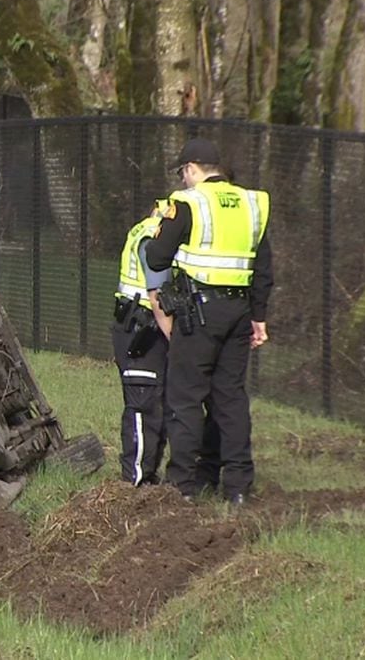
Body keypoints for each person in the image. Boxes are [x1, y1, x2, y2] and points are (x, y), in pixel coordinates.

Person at [145, 138, 272, 506]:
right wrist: (259, 317)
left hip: (197, 314)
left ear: (192, 169)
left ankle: (181, 487)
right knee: (230, 398)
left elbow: (156, 258)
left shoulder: (187, 202)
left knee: (185, 397)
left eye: (183, 172)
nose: (184, 180)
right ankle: (237, 487)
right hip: (240, 313)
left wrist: (160, 230)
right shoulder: (253, 204)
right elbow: (263, 268)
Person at [111, 204, 173, 486]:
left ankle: (148, 474)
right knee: (143, 402)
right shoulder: (155, 237)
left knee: (157, 401)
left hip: (141, 324)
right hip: (143, 327)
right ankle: (134, 480)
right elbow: (156, 291)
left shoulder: (146, 228)